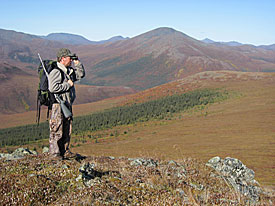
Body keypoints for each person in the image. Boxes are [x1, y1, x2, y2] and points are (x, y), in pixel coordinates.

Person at [48, 48, 85, 160]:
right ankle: (55, 154)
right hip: (58, 104)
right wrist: (68, 85)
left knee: (67, 127)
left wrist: (77, 63)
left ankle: (64, 150)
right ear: (63, 58)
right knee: (57, 128)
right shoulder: (56, 71)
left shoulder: (68, 71)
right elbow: (52, 88)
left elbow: (80, 75)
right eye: (70, 58)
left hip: (66, 104)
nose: (71, 60)